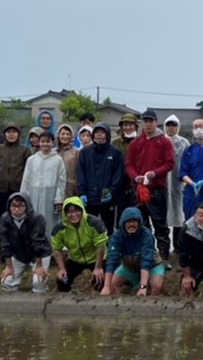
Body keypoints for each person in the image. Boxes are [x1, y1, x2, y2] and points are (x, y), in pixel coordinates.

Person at [126, 110, 176, 261]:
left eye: (151, 121)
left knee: (160, 224)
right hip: (140, 189)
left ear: (156, 122)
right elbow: (129, 164)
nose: (148, 124)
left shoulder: (164, 141)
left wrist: (155, 173)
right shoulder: (136, 142)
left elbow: (170, 163)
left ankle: (164, 257)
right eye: (145, 121)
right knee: (142, 223)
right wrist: (135, 177)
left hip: (158, 189)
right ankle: (148, 253)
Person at [100, 207, 165, 297]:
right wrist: (106, 286)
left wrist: (143, 287)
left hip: (152, 266)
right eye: (128, 222)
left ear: (139, 222)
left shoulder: (147, 235)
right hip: (129, 267)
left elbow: (146, 262)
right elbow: (111, 260)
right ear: (123, 223)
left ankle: (144, 288)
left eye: (134, 221)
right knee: (111, 287)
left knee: (157, 287)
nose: (131, 225)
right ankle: (131, 287)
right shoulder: (117, 236)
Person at [50, 196, 108, 292]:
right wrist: (62, 268)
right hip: (75, 259)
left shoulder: (94, 223)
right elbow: (56, 248)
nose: (73, 214)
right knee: (62, 282)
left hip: (96, 258)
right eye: (69, 212)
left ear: (82, 210)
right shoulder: (59, 228)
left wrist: (98, 267)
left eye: (77, 210)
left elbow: (100, 245)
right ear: (65, 213)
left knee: (100, 281)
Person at [0, 192, 51, 293]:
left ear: (27, 206)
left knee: (38, 282)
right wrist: (9, 267)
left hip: (39, 255)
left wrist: (39, 266)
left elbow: (38, 243)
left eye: (21, 205)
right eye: (13, 205)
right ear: (9, 206)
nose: (17, 209)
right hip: (19, 254)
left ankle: (40, 296)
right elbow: (4, 243)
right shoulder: (5, 219)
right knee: (7, 282)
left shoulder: (37, 218)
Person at [76, 123, 125, 233]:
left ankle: (108, 249)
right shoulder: (85, 152)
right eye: (97, 132)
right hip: (89, 198)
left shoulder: (115, 152)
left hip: (107, 199)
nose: (99, 135)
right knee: (89, 228)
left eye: (102, 133)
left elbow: (118, 175)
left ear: (107, 135)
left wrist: (111, 192)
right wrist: (81, 192)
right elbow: (81, 173)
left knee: (108, 229)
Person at [0, 124, 31, 221]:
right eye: (8, 132)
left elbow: (29, 171)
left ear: (18, 134)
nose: (11, 135)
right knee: (0, 217)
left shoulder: (25, 150)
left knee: (18, 217)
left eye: (14, 132)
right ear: (4, 134)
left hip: (18, 189)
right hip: (0, 190)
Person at [21, 130, 66, 219]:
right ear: (39, 142)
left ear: (53, 143)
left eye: (48, 141)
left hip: (50, 196)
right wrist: (23, 197)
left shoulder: (58, 160)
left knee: (49, 221)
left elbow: (61, 181)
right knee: (33, 220)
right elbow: (25, 180)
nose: (45, 144)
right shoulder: (32, 159)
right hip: (33, 194)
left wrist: (59, 199)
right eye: (42, 141)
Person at [163, 115, 191, 248]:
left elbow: (189, 163)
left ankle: (178, 248)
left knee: (179, 216)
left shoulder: (184, 143)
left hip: (179, 184)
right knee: (163, 216)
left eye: (174, 125)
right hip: (162, 183)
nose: (171, 128)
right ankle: (164, 249)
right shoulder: (160, 141)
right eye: (168, 125)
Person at [56, 124, 79, 198]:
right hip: (55, 187)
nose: (65, 136)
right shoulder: (53, 152)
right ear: (58, 135)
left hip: (70, 188)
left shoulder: (76, 152)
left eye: (67, 134)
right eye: (62, 134)